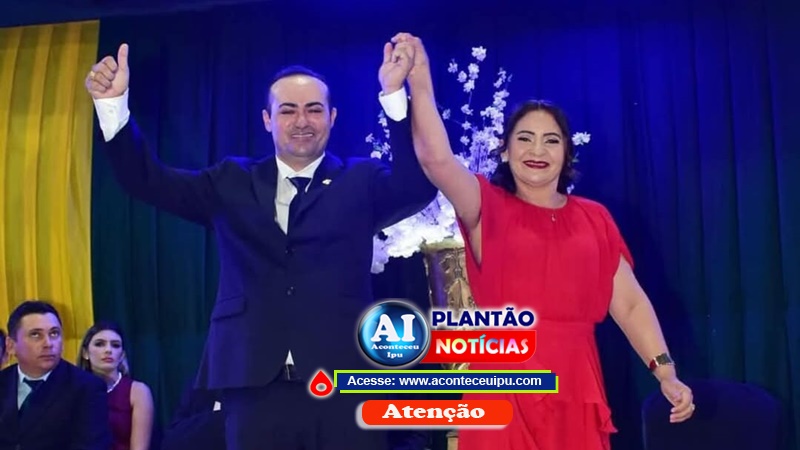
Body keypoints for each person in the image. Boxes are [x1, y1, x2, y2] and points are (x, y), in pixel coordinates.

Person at [83, 38, 436, 450]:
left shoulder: (361, 180)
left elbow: (416, 186)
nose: (301, 120)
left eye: (314, 109)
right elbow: (148, 181)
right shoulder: (230, 181)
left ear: (333, 117)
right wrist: (113, 108)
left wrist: (394, 96)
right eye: (287, 110)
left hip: (344, 380)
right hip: (252, 381)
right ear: (267, 120)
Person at [394, 33, 695, 449]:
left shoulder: (595, 218)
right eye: (524, 138)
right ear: (504, 150)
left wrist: (665, 372)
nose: (537, 149)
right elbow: (436, 159)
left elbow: (629, 304)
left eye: (551, 140)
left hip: (576, 383)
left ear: (567, 153)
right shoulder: (485, 204)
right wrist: (420, 81)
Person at [0, 300, 111, 450]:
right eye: (35, 335)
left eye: (54, 333)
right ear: (11, 345)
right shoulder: (3, 381)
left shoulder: (87, 388)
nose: (48, 343)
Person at [78, 321, 155, 450]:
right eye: (100, 344)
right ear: (85, 353)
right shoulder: (74, 390)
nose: (108, 350)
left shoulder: (138, 392)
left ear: (122, 355)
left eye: (115, 345)